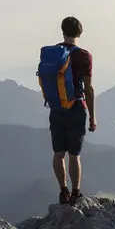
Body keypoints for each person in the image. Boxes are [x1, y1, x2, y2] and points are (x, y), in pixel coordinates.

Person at [36, 16, 97, 204]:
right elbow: (88, 89)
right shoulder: (84, 56)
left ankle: (63, 191)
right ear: (80, 32)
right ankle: (76, 192)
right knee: (74, 154)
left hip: (56, 108)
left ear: (63, 31)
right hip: (76, 107)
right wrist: (92, 117)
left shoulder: (52, 54)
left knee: (58, 153)